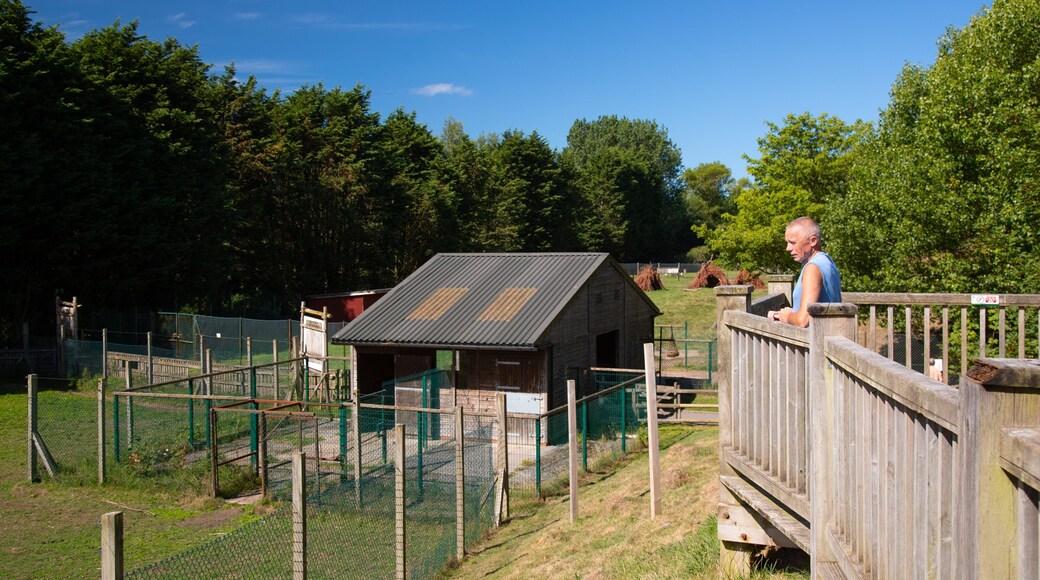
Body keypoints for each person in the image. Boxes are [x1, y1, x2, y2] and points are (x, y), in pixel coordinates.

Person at [767, 217, 842, 327]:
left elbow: (803, 320)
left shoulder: (813, 268)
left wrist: (787, 316)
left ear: (813, 241)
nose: (788, 248)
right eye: (787, 243)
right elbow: (814, 311)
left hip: (815, 341)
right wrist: (793, 312)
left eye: (793, 242)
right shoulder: (827, 261)